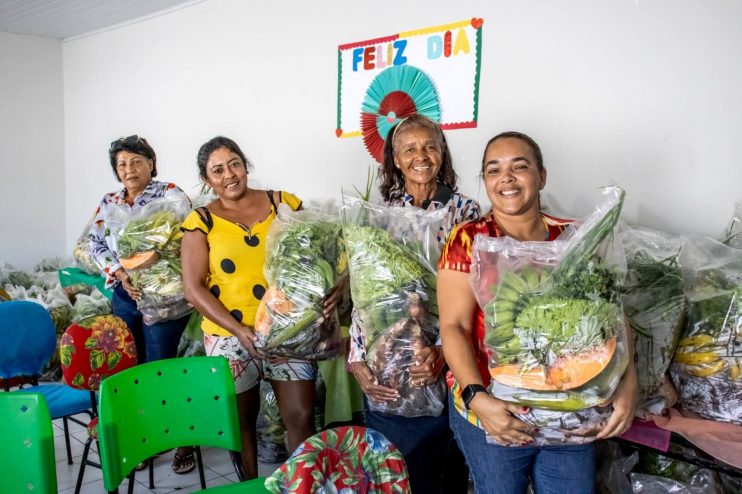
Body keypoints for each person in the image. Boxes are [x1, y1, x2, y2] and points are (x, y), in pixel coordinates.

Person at [437, 131, 639, 494]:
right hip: (496, 409)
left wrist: (628, 382)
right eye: (494, 170)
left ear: (541, 176)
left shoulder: (573, 238)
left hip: (570, 406)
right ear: (485, 182)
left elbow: (612, 317)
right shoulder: (470, 239)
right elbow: (453, 327)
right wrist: (477, 397)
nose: (507, 178)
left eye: (520, 166)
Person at [180, 136, 341, 478]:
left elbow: (324, 251)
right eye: (218, 170)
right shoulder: (200, 222)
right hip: (230, 335)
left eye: (234, 164)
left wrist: (338, 286)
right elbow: (193, 289)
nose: (229, 174)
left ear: (246, 165)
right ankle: (248, 484)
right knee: (242, 423)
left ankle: (302, 484)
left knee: (299, 415)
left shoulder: (282, 203)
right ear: (207, 180)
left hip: (291, 330)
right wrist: (241, 331)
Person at [348, 115, 480, 493]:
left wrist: (443, 350)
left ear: (442, 153)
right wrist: (357, 357)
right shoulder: (378, 213)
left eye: (430, 146)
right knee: (398, 470)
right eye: (410, 148)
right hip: (389, 356)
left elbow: (477, 294)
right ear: (395, 158)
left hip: (447, 357)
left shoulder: (466, 213)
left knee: (448, 468)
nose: (421, 156)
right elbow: (364, 296)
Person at [89, 134, 195, 474]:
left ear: (151, 162)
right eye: (122, 164)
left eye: (136, 161)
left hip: (165, 297)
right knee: (132, 368)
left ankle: (184, 440)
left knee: (163, 366)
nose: (129, 169)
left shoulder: (171, 195)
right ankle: (147, 438)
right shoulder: (109, 201)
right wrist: (120, 273)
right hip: (126, 295)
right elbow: (96, 243)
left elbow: (188, 236)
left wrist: (152, 264)